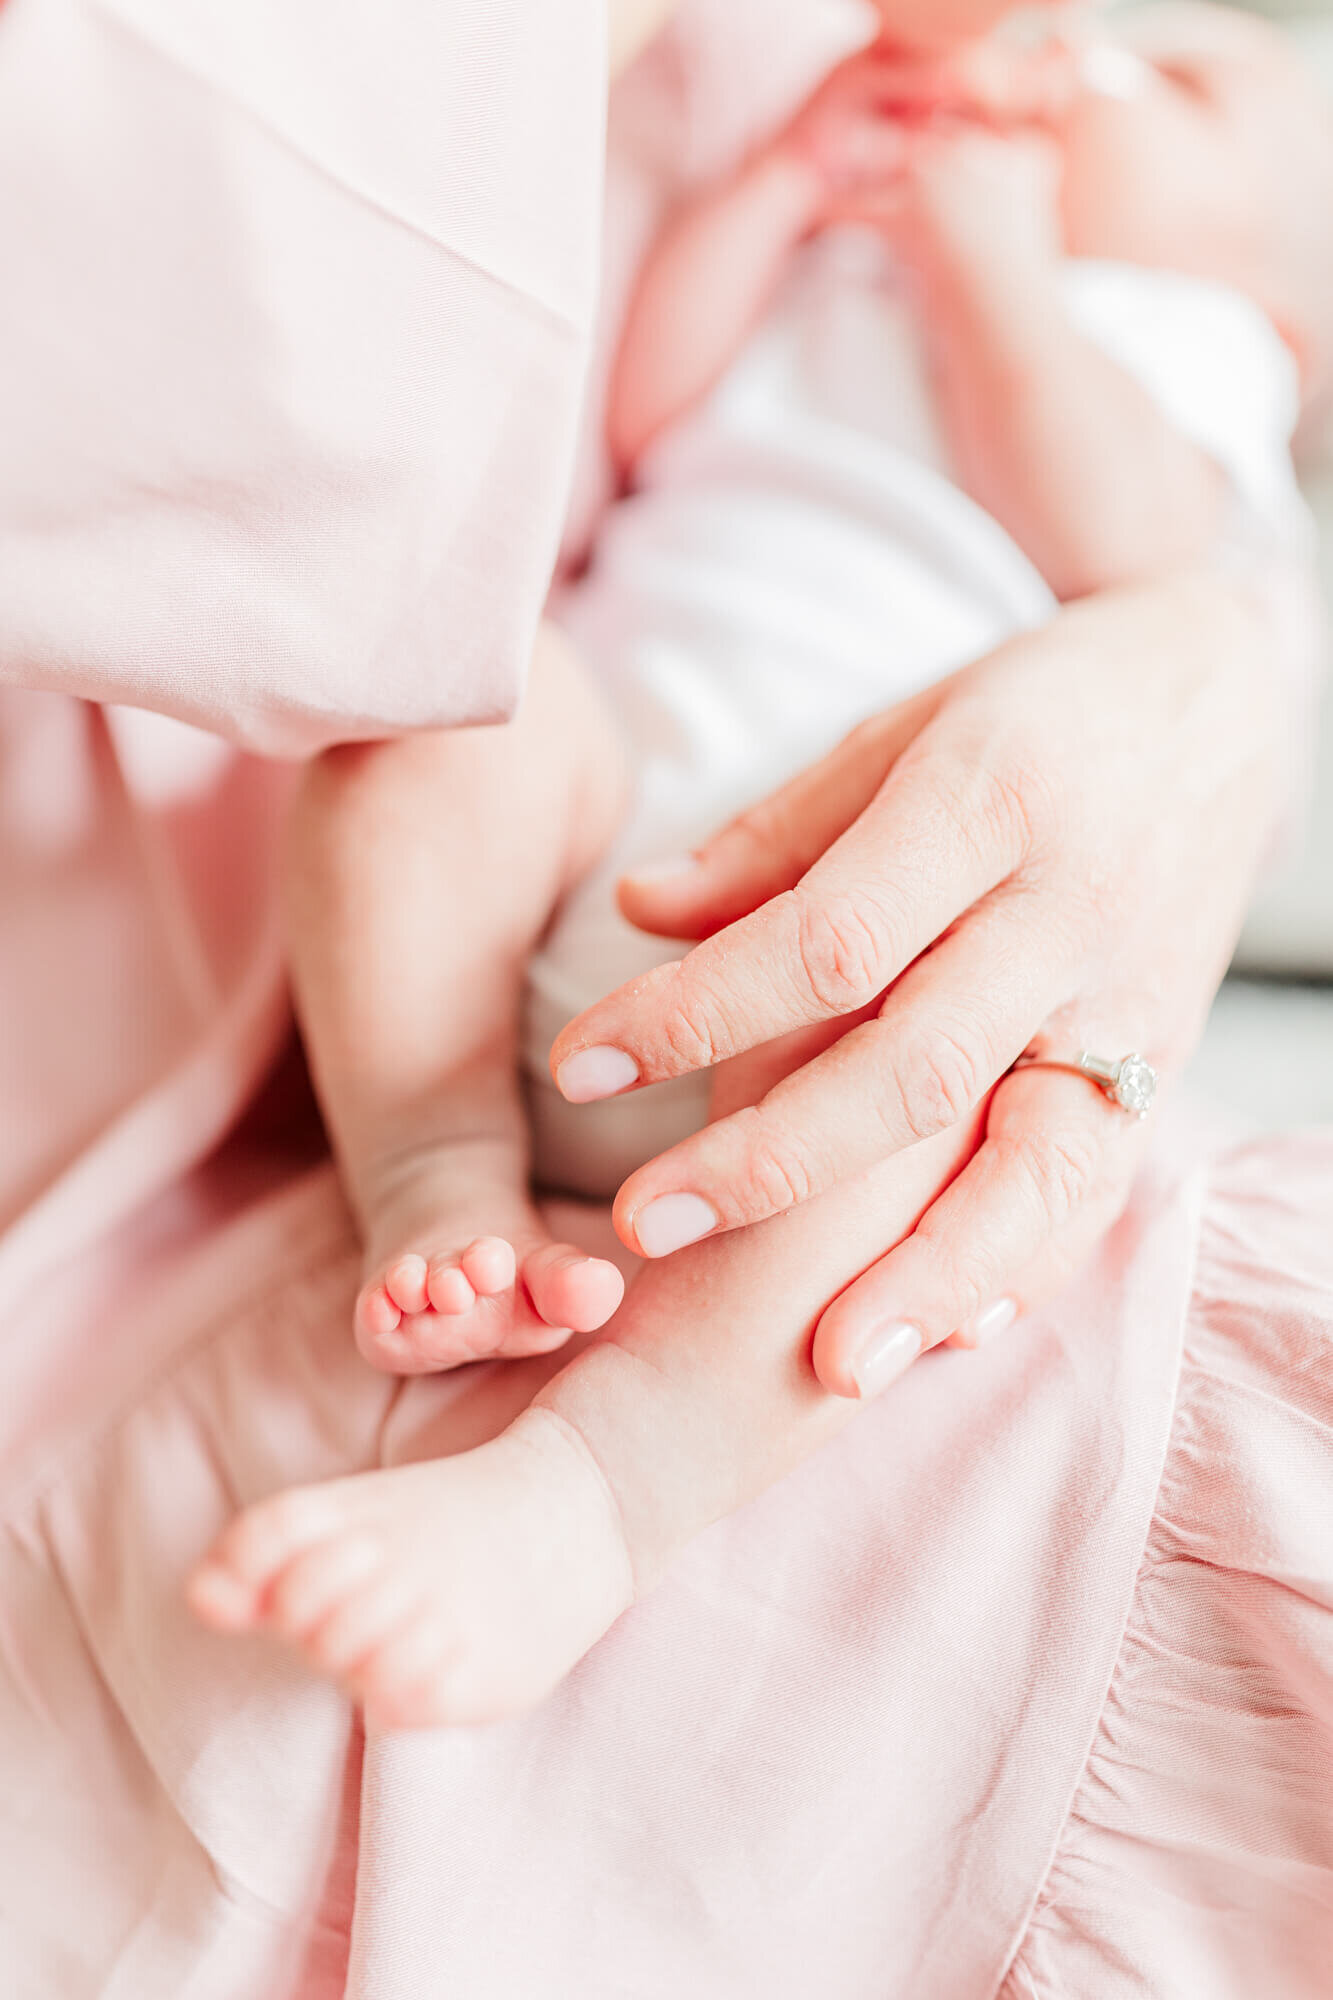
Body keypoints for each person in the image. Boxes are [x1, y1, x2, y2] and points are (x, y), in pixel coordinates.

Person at [188, 0, 1332, 1734]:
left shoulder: (1195, 364)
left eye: (1173, 86)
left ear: (1286, 296)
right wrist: (786, 187)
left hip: (838, 911)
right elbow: (650, 412)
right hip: (595, 824)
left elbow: (1123, 541)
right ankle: (435, 1176)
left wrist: (992, 266)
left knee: (930, 1021)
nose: (1088, 61)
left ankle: (588, 1492)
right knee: (423, 723)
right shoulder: (845, 264)